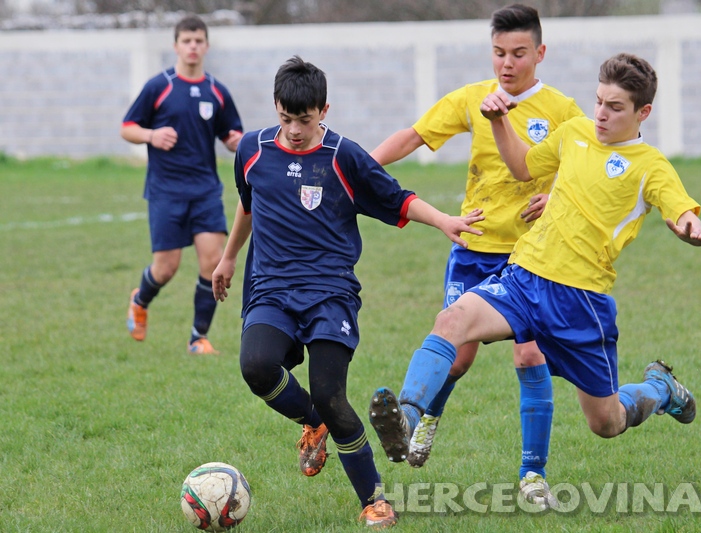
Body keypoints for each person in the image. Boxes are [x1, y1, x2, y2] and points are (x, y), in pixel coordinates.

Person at [369, 52, 701, 509]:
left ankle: (660, 389)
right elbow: (524, 167)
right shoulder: (574, 133)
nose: (602, 114)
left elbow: (677, 204)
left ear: (642, 112)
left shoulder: (649, 164)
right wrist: (497, 123)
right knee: (452, 320)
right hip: (524, 276)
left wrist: (687, 222)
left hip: (580, 302)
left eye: (615, 107)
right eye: (598, 101)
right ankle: (407, 420)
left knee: (606, 422)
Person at [211, 56, 483, 529]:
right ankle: (310, 422)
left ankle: (374, 498)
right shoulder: (252, 149)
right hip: (271, 287)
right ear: (276, 107)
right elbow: (248, 202)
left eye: (305, 119)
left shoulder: (342, 156)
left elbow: (397, 197)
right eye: (286, 118)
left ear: (324, 110)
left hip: (329, 293)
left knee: (331, 394)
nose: (294, 130)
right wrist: (230, 256)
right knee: (256, 366)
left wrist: (443, 221)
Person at [370, 3, 584, 489]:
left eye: (518, 54)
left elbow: (589, 165)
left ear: (540, 53)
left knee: (530, 356)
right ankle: (422, 417)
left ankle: (533, 475)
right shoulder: (474, 98)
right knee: (459, 354)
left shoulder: (562, 111)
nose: (507, 63)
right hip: (474, 247)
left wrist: (554, 196)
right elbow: (415, 136)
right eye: (498, 53)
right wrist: (357, 169)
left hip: (532, 258)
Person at [121, 14, 243, 355]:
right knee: (166, 268)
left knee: (212, 262)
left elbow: (231, 132)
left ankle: (197, 338)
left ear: (206, 46)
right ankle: (140, 299)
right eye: (186, 41)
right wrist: (150, 135)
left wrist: (235, 141)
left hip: (205, 190)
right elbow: (127, 127)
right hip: (166, 191)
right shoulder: (159, 87)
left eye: (198, 41)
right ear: (176, 46)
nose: (192, 46)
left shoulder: (217, 91)